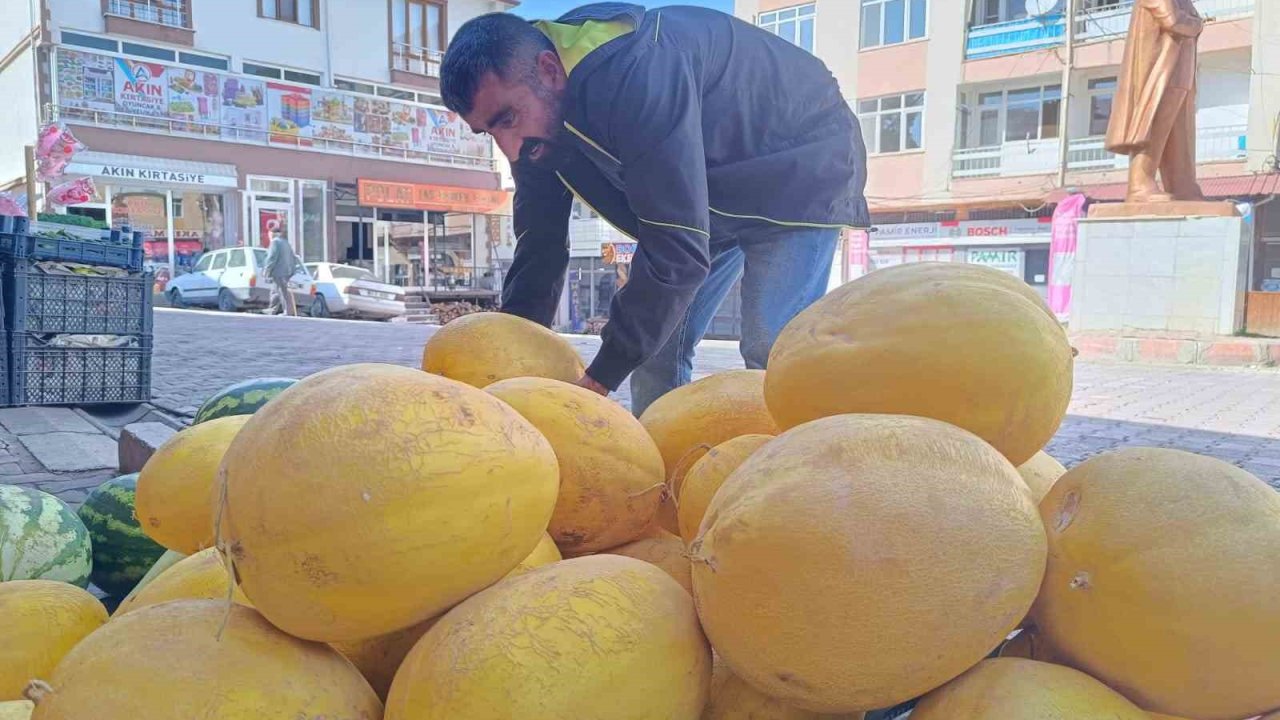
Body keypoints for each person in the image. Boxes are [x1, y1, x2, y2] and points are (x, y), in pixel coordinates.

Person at [440, 3, 868, 415]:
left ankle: (788, 473)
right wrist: (510, 356)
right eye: (488, 130)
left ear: (550, 71)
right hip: (713, 193)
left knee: (771, 347)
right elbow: (540, 243)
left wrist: (599, 379)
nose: (507, 147)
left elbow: (674, 248)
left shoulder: (639, 74)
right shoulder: (533, 128)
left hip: (800, 164)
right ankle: (661, 474)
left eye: (507, 119)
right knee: (656, 346)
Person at [264, 228, 300, 317]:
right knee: (275, 291)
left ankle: (287, 311)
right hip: (287, 272)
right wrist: (292, 271)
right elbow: (293, 257)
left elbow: (272, 258)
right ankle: (271, 310)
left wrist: (267, 270)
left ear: (272, 234)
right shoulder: (286, 243)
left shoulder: (275, 242)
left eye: (269, 234)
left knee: (282, 291)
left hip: (279, 272)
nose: (269, 236)